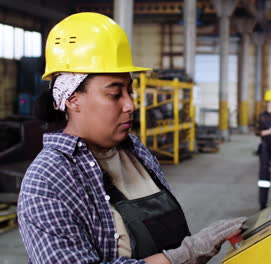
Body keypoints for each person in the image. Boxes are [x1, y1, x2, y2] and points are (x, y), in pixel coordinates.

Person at [17, 12, 245, 264]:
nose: (131, 104)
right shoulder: (48, 179)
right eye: (115, 94)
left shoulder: (136, 150)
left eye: (130, 91)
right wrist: (183, 257)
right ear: (72, 99)